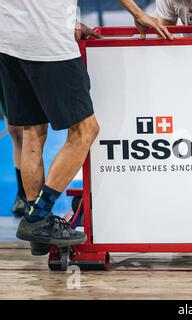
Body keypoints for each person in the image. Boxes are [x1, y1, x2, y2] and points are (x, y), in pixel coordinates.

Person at [0, 0, 173, 255]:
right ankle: (38, 218)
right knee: (85, 131)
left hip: (9, 38)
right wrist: (137, 13)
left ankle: (37, 228)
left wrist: (67, 19)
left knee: (33, 133)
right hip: (46, 42)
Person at [0, 77, 27, 217]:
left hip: (38, 62)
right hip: (6, 63)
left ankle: (38, 195)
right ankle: (23, 194)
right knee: (17, 135)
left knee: (34, 131)